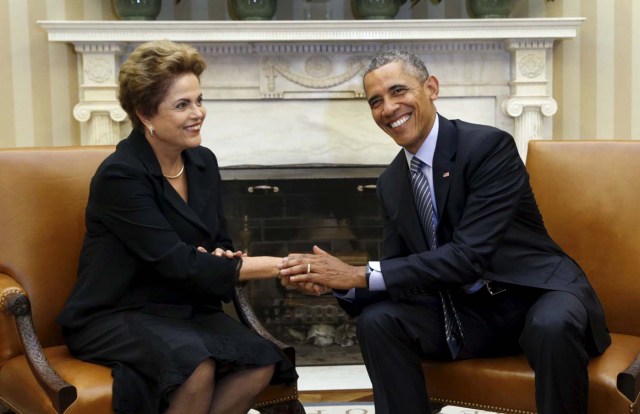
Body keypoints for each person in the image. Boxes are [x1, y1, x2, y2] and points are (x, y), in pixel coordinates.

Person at [279, 50, 611, 414]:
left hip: (534, 293)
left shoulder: (488, 147)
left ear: (431, 88)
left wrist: (358, 273)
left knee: (551, 324)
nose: (388, 108)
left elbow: (469, 257)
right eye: (376, 101)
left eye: (398, 91)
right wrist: (341, 283)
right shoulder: (391, 182)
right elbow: (400, 273)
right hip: (468, 313)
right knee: (379, 322)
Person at [57, 40, 296, 414]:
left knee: (261, 362)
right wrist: (276, 265)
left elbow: (217, 239)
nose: (198, 113)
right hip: (115, 313)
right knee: (195, 369)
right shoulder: (121, 175)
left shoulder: (202, 162)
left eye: (199, 100)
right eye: (182, 105)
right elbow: (176, 262)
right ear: (144, 114)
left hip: (182, 309)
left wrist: (222, 254)